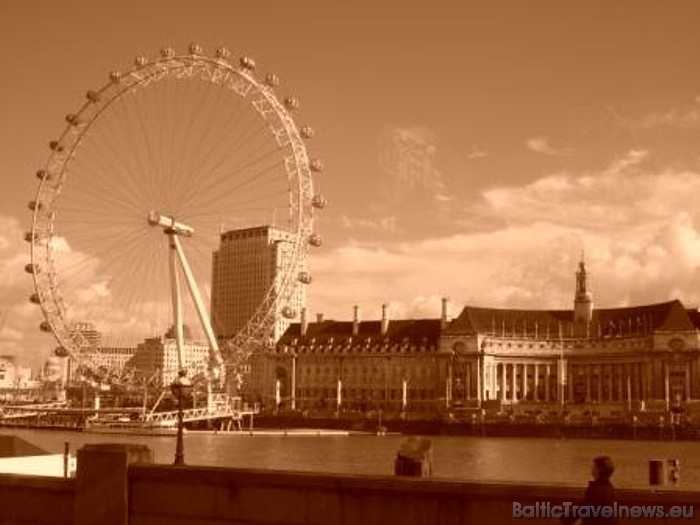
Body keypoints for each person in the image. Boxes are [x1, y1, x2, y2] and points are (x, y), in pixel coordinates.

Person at [563, 456, 618, 525]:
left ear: (598, 470)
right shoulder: (610, 488)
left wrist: (564, 519)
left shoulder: (595, 489)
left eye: (594, 467)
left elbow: (582, 508)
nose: (592, 469)